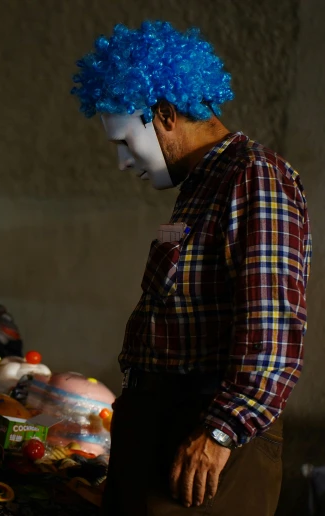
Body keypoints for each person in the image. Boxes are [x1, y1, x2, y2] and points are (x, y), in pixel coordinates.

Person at [71, 21, 311, 515]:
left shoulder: (254, 176)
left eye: (123, 143)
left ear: (163, 114)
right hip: (167, 432)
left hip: (204, 444)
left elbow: (272, 325)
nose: (121, 162)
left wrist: (221, 432)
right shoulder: (201, 187)